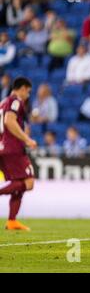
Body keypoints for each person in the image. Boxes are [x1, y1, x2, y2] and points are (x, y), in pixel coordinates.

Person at [0, 77, 37, 231]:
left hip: (3, 146)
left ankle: (12, 221)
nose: (28, 95)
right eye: (28, 92)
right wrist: (26, 139)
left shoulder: (3, 102)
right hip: (13, 148)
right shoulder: (15, 101)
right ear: (22, 88)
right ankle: (12, 219)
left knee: (19, 184)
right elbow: (9, 121)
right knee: (29, 182)